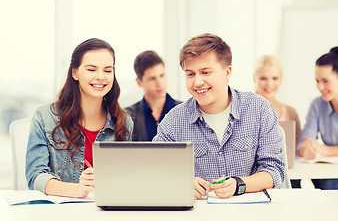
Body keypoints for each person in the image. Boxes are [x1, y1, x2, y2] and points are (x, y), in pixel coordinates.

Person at [153, 33, 285, 199]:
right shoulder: (174, 120)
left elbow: (275, 171)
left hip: (250, 212)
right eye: (190, 74)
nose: (197, 82)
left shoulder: (259, 109)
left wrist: (239, 184)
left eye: (206, 72)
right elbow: (156, 170)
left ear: (227, 72)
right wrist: (182, 182)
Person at [25, 38, 133, 198]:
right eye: (91, 69)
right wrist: (79, 190)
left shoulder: (123, 122)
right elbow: (36, 176)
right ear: (74, 72)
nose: (101, 77)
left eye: (108, 70)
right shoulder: (45, 117)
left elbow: (125, 179)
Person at [253, 55, 301, 188]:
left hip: (287, 174)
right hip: (255, 178)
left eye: (275, 78)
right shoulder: (245, 112)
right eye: (263, 78)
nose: (269, 84)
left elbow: (296, 148)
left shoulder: (291, 112)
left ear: (281, 80)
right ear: (254, 79)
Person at [298, 46, 338, 190]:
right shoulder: (317, 104)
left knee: (330, 182)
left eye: (325, 81)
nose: (320, 87)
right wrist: (306, 151)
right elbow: (304, 142)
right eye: (317, 81)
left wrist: (326, 150)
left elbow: (323, 149)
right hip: (329, 173)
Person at [125, 50, 181, 141]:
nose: (159, 83)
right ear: (139, 82)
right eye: (152, 78)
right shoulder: (128, 116)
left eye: (162, 75)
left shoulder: (185, 110)